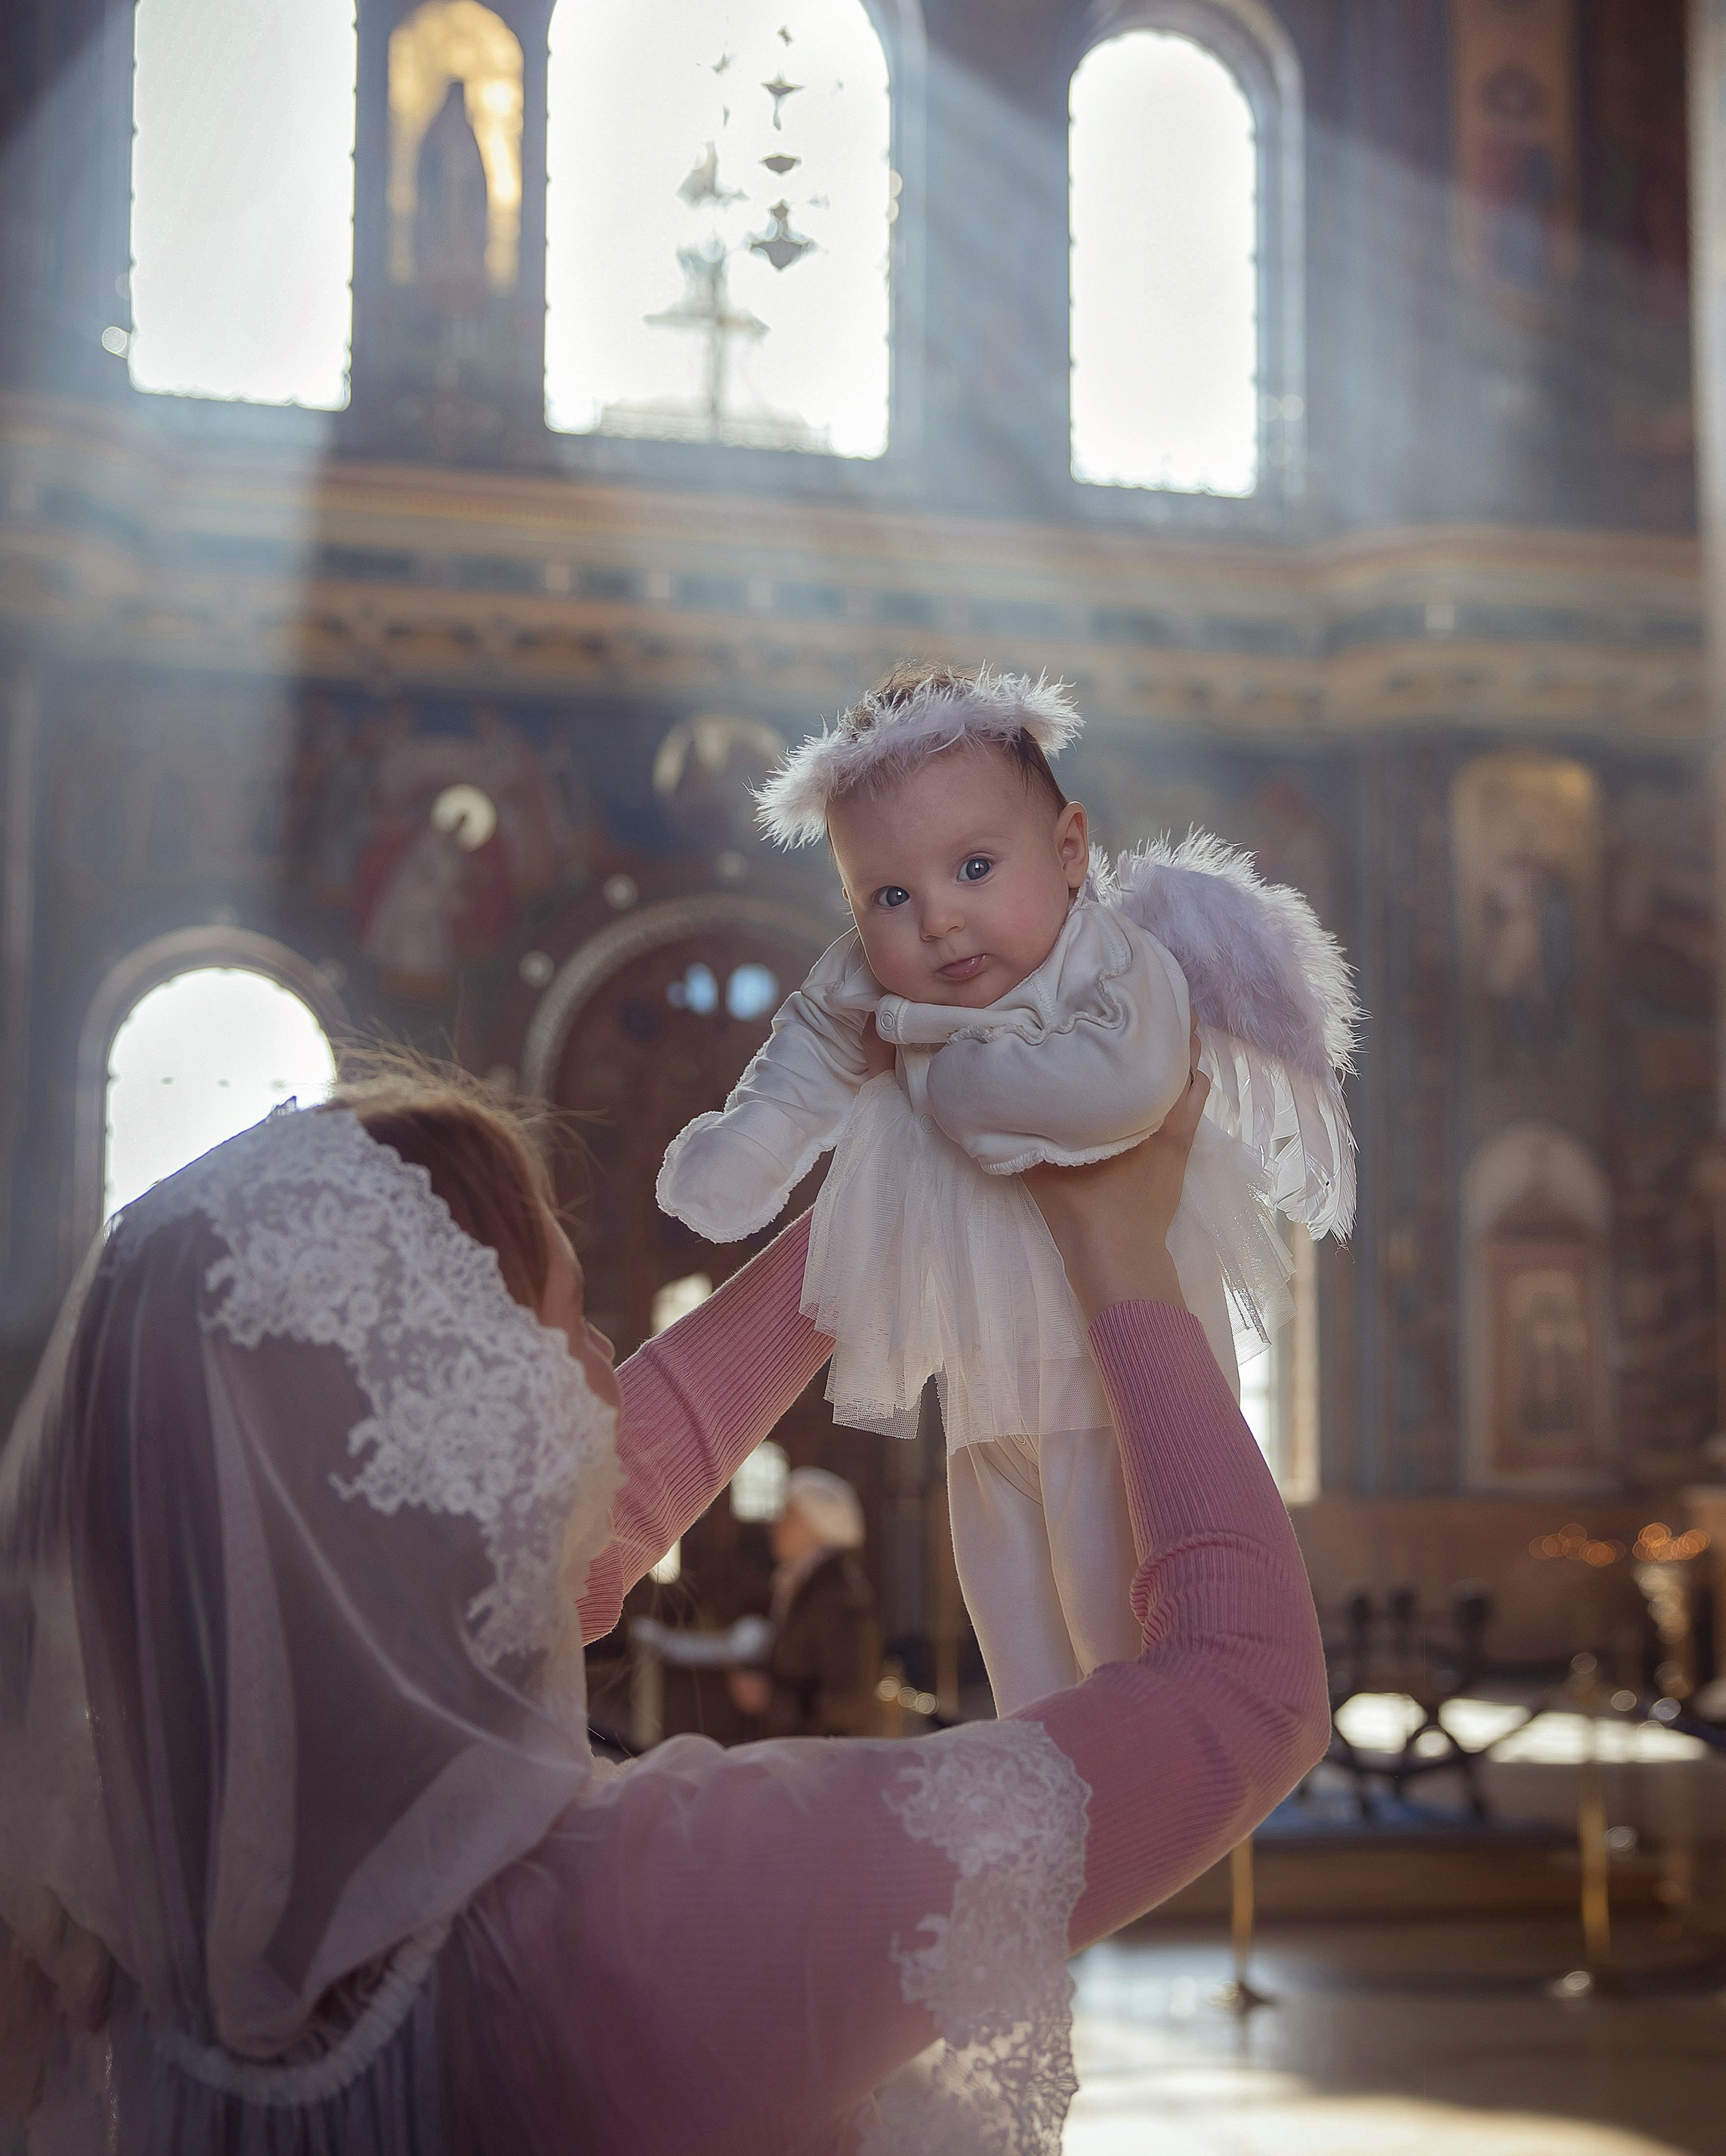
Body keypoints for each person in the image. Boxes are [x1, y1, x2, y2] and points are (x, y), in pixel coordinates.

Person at [0, 1054, 1329, 2154]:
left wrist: (867, 1228)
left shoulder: (111, 1961)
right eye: (569, 1326)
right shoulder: (652, 1919)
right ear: (482, 1435)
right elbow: (1247, 1688)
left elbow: (565, 1546)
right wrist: (1123, 1255)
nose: (601, 1373)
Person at [658, 662, 1357, 1710]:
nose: (937, 919)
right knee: (1015, 1631)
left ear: (1070, 851)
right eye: (890, 895)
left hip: (1119, 1375)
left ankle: (1138, 1783)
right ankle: (1050, 1780)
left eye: (975, 866)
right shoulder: (870, 977)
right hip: (985, 1386)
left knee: (1122, 1633)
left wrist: (943, 1070)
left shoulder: (1114, 958)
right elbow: (804, 1053)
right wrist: (740, 1154)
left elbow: (1120, 1086)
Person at [727, 1467, 881, 1738]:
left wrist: (770, 1700)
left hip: (826, 1761)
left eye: (788, 1515)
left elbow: (849, 1699)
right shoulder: (802, 1583)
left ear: (816, 1526)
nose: (775, 1525)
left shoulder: (839, 1595)